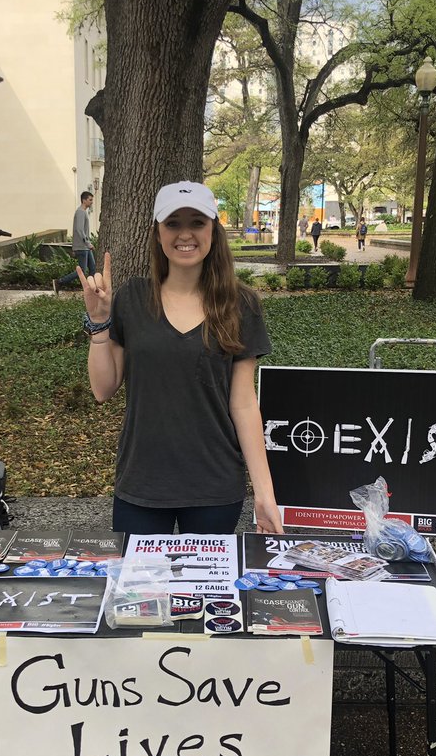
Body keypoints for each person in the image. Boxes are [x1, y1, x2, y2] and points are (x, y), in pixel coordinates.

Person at [77, 180, 284, 536]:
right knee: (139, 592)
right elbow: (102, 388)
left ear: (213, 231)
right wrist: (98, 324)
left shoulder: (241, 304)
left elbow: (245, 404)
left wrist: (264, 492)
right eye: (173, 223)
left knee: (206, 592)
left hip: (214, 487)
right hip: (142, 484)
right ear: (157, 233)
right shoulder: (132, 298)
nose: (185, 234)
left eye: (197, 222)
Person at [53, 191, 95, 292]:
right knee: (81, 270)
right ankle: (59, 282)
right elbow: (79, 230)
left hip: (85, 247)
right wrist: (88, 244)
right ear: (84, 200)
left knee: (93, 267)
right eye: (90, 200)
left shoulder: (83, 212)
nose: (91, 202)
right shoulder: (80, 212)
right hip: (82, 247)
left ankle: (92, 289)